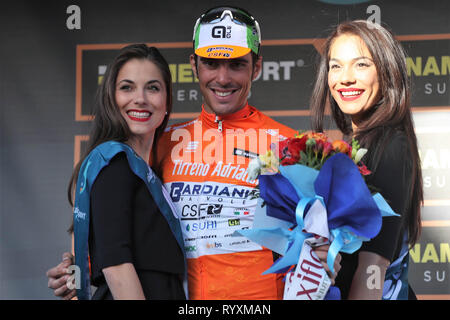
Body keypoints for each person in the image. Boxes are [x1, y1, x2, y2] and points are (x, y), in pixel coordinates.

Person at [47, 6, 341, 300]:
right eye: (211, 63)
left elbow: (321, 240)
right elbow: (117, 221)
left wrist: (328, 253)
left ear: (257, 67)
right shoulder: (160, 144)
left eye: (237, 64)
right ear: (194, 65)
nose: (223, 78)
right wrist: (80, 269)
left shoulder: (291, 145)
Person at [310, 20, 423, 300]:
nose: (345, 78)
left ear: (387, 73)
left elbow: (374, 268)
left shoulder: (389, 146)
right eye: (336, 66)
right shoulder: (359, 147)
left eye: (361, 64)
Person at [66, 44, 186, 300]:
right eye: (127, 87)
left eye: (152, 88)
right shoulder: (115, 163)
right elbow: (117, 267)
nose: (140, 98)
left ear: (167, 102)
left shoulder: (148, 171)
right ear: (111, 97)